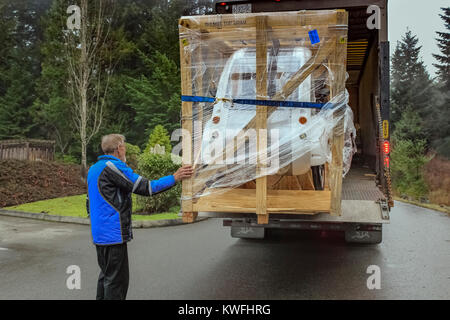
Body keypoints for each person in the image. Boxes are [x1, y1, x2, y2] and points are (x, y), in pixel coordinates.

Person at [86, 133, 193, 300]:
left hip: (100, 235)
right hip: (113, 235)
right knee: (117, 283)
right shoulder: (112, 167)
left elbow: (89, 202)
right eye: (124, 147)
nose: (125, 150)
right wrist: (174, 177)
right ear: (120, 148)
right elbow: (146, 187)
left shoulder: (94, 168)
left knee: (107, 277)